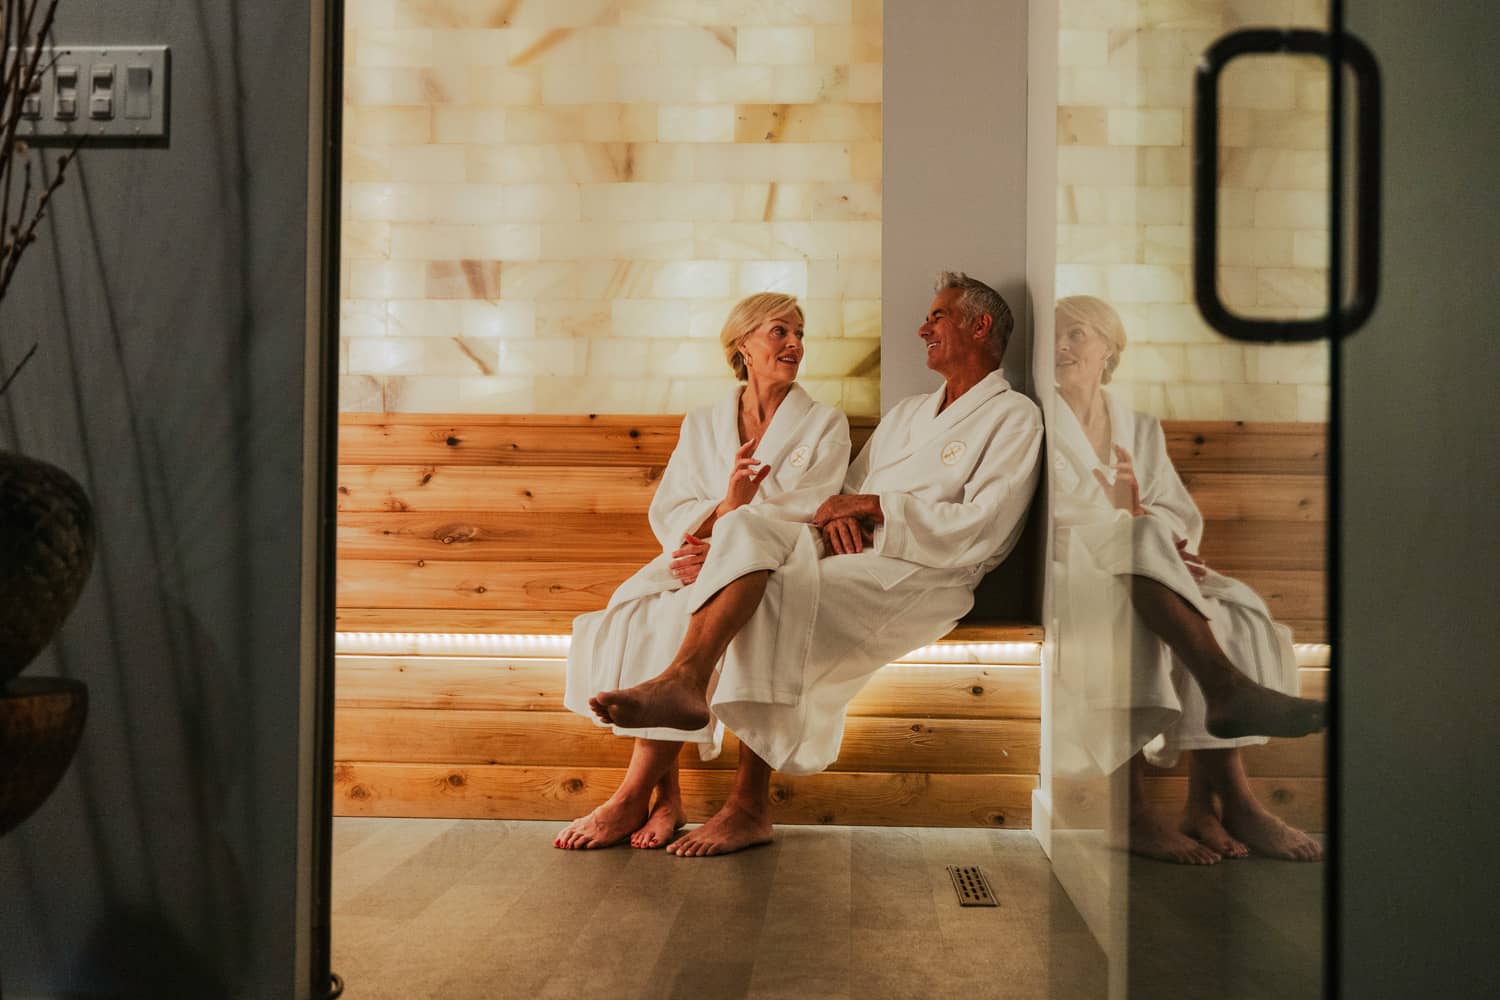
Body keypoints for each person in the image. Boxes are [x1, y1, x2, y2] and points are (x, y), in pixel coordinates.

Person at [588, 271, 1045, 857]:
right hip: (850, 551)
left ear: (979, 326)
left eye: (938, 317)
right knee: (747, 533)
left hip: (925, 571)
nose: (922, 328)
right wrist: (836, 514)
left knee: (773, 597)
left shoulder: (1013, 418)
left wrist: (872, 507)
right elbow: (842, 492)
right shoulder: (908, 414)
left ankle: (748, 804)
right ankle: (684, 686)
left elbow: (987, 526)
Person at [556, 293, 851, 851]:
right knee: (643, 610)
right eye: (779, 332)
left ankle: (634, 797)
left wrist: (735, 517)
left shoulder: (824, 424)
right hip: (702, 555)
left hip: (779, 561)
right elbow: (671, 506)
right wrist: (715, 520)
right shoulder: (705, 422)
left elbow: (812, 506)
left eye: (799, 333)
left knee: (751, 613)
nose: (794, 344)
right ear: (743, 345)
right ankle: (664, 799)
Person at [1051, 294, 1325, 864]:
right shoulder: (1039, 415)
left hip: (1144, 562)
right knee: (1127, 612)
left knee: (1238, 609)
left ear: (1110, 349)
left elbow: (1173, 512)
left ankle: (1219, 801)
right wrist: (1123, 513)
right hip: (1072, 565)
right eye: (1055, 334)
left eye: (1077, 334)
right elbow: (1051, 512)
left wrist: (1158, 531)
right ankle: (1129, 811)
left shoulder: (1137, 427)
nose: (1062, 345)